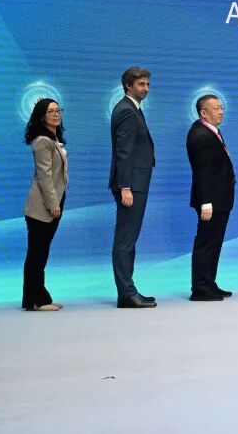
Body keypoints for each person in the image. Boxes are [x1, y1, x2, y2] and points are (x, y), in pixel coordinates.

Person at [109, 67, 157, 308]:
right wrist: (125, 186)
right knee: (126, 239)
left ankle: (129, 289)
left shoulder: (132, 108)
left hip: (136, 182)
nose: (146, 88)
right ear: (128, 86)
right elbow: (124, 152)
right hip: (131, 184)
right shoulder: (127, 111)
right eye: (141, 84)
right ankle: (126, 293)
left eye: (147, 84)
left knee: (129, 238)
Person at [186, 94, 235, 301]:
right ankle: (200, 288)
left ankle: (209, 282)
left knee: (214, 243)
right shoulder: (201, 135)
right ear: (203, 113)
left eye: (221, 107)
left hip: (219, 199)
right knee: (206, 243)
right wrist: (206, 202)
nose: (221, 112)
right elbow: (203, 171)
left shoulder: (211, 131)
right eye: (216, 108)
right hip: (211, 201)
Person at [22, 98, 68, 311]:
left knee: (41, 253)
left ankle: (39, 296)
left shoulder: (53, 139)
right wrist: (53, 203)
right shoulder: (42, 141)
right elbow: (44, 176)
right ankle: (35, 300)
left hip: (53, 202)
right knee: (36, 254)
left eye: (58, 110)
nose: (56, 114)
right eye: (50, 111)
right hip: (42, 207)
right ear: (41, 116)